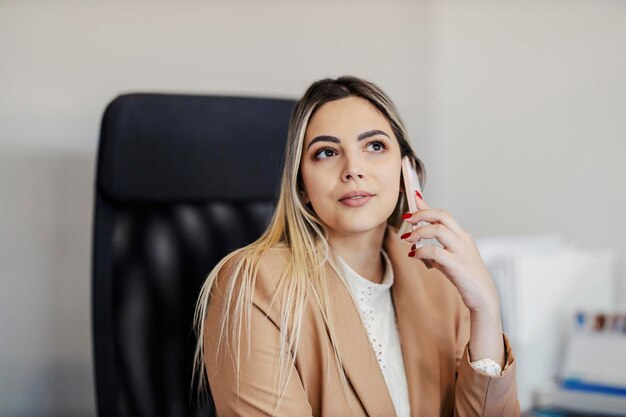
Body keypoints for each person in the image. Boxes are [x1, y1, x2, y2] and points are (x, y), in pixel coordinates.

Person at [192, 75, 520, 416]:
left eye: (375, 146)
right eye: (327, 152)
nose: (353, 169)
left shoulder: (438, 281)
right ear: (301, 185)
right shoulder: (252, 286)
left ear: (406, 169)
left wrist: (485, 310)